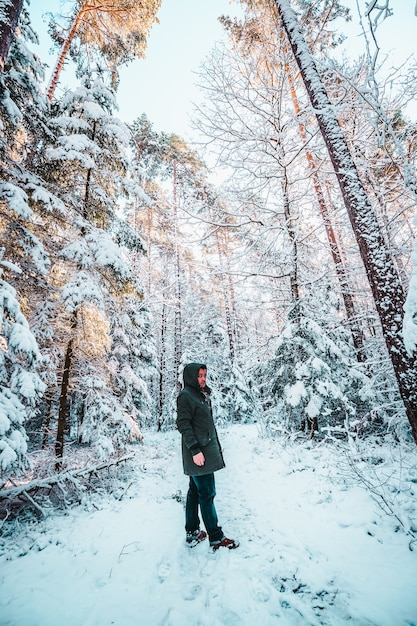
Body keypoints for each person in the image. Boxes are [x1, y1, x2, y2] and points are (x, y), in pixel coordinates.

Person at [176, 362, 239, 551]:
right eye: (199, 376)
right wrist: (195, 450)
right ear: (190, 377)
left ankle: (193, 533)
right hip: (198, 454)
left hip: (201, 452)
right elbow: (183, 424)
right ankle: (216, 538)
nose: (203, 379)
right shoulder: (186, 396)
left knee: (195, 493)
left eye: (204, 375)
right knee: (207, 494)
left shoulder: (199, 395)